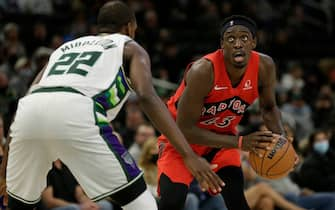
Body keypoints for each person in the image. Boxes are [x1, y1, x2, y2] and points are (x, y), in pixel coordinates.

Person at [3, 1, 224, 210]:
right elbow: (147, 96)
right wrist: (188, 154)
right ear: (129, 27)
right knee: (142, 204)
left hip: (28, 114)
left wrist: (4, 172)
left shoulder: (64, 48)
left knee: (18, 205)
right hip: (77, 111)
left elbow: (30, 96)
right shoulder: (129, 46)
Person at [157, 15, 292, 210]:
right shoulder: (203, 70)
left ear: (254, 42)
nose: (238, 44)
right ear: (222, 44)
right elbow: (185, 129)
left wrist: (282, 140)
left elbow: (269, 108)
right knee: (172, 202)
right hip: (180, 141)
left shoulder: (264, 66)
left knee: (236, 200)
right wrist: (240, 142)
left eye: (244, 38)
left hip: (220, 141)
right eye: (230, 39)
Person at [42, 159, 113, 210]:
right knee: (73, 208)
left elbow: (79, 192)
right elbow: (49, 201)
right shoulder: (46, 169)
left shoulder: (68, 166)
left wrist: (89, 204)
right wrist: (79, 207)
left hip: (77, 205)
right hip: (62, 207)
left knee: (105, 205)